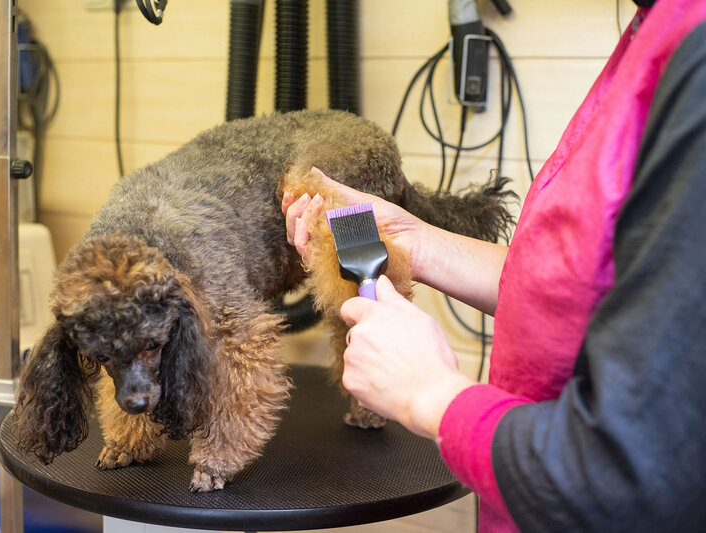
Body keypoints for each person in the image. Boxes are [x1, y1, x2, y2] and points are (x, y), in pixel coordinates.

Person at [281, 0, 706, 531]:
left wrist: (429, 393)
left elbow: (622, 473)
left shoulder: (695, 57)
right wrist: (414, 241)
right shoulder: (652, 29)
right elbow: (585, 284)